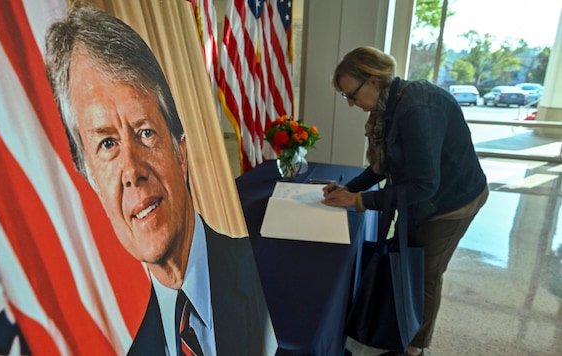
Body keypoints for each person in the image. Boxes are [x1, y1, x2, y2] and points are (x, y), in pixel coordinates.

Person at [44, 5, 275, 356]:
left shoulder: (268, 280)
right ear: (92, 183)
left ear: (181, 153)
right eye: (107, 144)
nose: (132, 169)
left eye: (145, 132)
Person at [322, 46, 488, 356]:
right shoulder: (390, 106)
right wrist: (350, 189)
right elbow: (383, 166)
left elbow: (424, 185)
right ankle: (402, 330)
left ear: (373, 80)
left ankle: (414, 350)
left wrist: (360, 201)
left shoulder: (416, 108)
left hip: (453, 203)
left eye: (352, 95)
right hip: (425, 198)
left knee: (425, 272)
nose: (350, 103)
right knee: (407, 263)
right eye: (345, 97)